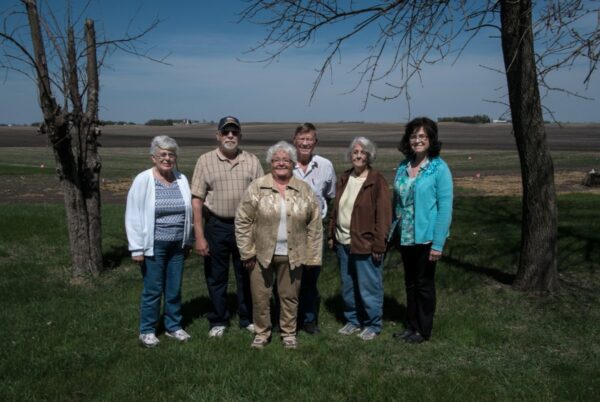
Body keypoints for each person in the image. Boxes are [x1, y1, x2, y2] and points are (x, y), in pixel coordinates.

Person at [235, 141, 322, 349]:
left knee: (289, 297)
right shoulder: (258, 186)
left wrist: (313, 256)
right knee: (260, 297)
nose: (281, 163)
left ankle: (288, 333)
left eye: (285, 160)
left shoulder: (304, 189)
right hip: (261, 253)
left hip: (294, 253)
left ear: (292, 163)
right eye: (276, 160)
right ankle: (262, 332)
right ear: (270, 163)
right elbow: (242, 220)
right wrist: (247, 252)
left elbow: (315, 224)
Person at [191, 116, 264, 338]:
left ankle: (247, 318)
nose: (230, 136)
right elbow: (196, 199)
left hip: (246, 227)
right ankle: (218, 320)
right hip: (216, 226)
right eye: (225, 132)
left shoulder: (252, 160)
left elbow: (263, 196)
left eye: (234, 132)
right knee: (216, 276)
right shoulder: (205, 161)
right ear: (218, 136)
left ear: (240, 136)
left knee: (246, 275)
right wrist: (199, 235)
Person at [125, 135, 194, 348]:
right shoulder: (143, 179)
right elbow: (133, 213)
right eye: (162, 154)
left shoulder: (181, 179)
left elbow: (188, 211)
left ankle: (173, 326)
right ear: (153, 157)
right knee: (153, 289)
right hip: (154, 245)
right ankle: (147, 330)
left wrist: (188, 239)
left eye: (171, 154)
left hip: (177, 245)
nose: (167, 158)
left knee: (174, 288)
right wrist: (136, 248)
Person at [391, 117, 453, 344]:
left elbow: (445, 207)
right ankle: (411, 325)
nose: (417, 140)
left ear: (431, 140)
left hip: (426, 237)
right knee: (410, 283)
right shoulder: (403, 166)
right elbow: (396, 199)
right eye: (414, 136)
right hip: (405, 235)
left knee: (424, 285)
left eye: (422, 136)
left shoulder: (439, 167)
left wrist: (438, 244)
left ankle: (424, 330)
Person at [328, 137, 392, 341]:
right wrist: (332, 234)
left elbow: (383, 215)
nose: (358, 155)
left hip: (366, 244)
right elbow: (336, 209)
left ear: (369, 156)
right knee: (348, 286)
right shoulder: (344, 178)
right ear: (350, 155)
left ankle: (373, 324)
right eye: (355, 152)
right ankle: (353, 320)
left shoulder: (376, 180)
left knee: (369, 287)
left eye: (363, 152)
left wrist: (379, 243)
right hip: (343, 243)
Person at [292, 123, 336, 334]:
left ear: (315, 142)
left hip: (314, 230)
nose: (305, 143)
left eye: (309, 139)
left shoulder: (325, 166)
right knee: (288, 277)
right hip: (289, 230)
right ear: (295, 141)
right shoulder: (285, 163)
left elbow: (330, 195)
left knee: (310, 278)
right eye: (302, 139)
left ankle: (309, 320)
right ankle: (287, 319)